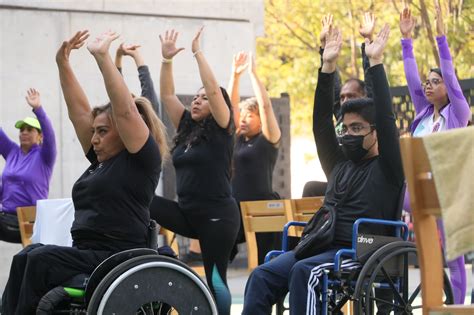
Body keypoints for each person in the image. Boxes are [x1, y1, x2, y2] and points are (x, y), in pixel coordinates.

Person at [1, 29, 168, 314]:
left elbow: (126, 110)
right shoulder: (100, 161)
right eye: (94, 132)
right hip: (86, 253)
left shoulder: (140, 161)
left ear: (125, 132)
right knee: (27, 254)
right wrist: (62, 63)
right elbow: (78, 112)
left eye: (102, 132)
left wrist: (103, 57)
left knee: (40, 259)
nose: (94, 139)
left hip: (116, 257)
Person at [242, 24, 404, 314]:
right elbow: (320, 125)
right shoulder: (339, 165)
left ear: (376, 132)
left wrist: (376, 63)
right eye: (346, 128)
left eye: (358, 128)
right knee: (261, 275)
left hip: (362, 249)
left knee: (305, 272)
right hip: (319, 244)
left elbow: (387, 117)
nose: (349, 134)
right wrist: (326, 66)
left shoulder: (389, 167)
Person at [149, 28, 239, 315]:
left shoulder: (223, 130)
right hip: (188, 213)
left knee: (215, 279)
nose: (198, 100)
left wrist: (198, 53)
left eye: (204, 98)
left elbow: (214, 90)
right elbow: (166, 94)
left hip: (218, 218)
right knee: (142, 201)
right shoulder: (187, 128)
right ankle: (141, 257)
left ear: (217, 106)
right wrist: (166, 60)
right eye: (196, 97)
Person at [399, 4, 470, 304]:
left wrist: (441, 39)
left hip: (446, 192)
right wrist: (406, 41)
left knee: (452, 254)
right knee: (423, 252)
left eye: (435, 81)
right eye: (428, 81)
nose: (428, 85)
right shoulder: (423, 115)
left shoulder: (458, 113)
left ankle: (454, 305)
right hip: (416, 192)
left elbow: (451, 77)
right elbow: (411, 77)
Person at [302, 12, 375, 198]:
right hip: (341, 175)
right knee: (311, 189)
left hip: (367, 178)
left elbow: (374, 88)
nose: (345, 101)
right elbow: (329, 97)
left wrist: (368, 44)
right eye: (342, 98)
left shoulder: (372, 114)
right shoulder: (342, 116)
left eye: (351, 96)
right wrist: (326, 54)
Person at [227, 51, 282, 264]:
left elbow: (266, 107)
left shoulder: (267, 140)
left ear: (260, 120)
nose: (243, 119)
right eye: (243, 115)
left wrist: (253, 74)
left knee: (262, 263)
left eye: (250, 115)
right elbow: (230, 108)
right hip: (235, 210)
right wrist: (235, 75)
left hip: (261, 212)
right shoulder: (238, 139)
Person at [0, 88, 57, 244]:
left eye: (29, 129)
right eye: (22, 130)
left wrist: (38, 108)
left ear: (40, 136)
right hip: (6, 218)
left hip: (30, 220)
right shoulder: (12, 151)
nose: (24, 132)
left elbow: (50, 133)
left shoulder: (45, 155)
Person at [115, 42, 160, 114]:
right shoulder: (148, 111)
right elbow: (148, 86)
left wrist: (119, 55)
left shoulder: (146, 113)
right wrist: (135, 55)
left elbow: (116, 86)